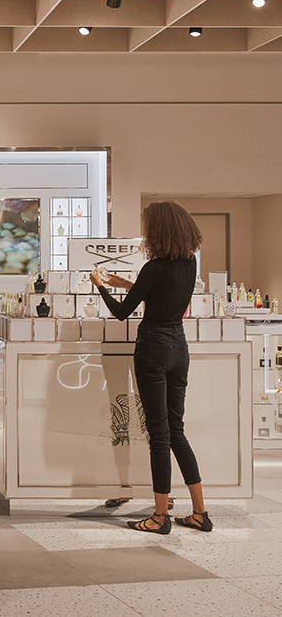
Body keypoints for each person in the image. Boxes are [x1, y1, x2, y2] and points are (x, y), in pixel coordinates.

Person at [90, 201, 212, 535]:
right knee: (176, 431)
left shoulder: (153, 267)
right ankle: (200, 512)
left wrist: (100, 284)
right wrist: (128, 284)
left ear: (157, 231)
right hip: (178, 346)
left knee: (158, 435)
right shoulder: (189, 264)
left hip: (153, 347)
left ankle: (160, 517)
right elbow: (164, 298)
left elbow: (120, 313)